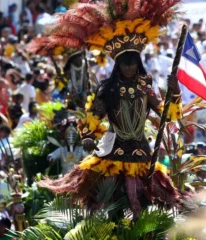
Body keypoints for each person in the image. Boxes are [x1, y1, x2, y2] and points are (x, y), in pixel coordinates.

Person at [39, 0, 185, 220]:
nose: (129, 67)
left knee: (147, 204)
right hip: (111, 151)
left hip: (142, 153)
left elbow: (168, 114)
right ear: (118, 64)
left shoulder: (145, 86)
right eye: (125, 64)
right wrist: (87, 136)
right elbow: (93, 118)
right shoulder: (107, 88)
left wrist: (175, 94)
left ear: (138, 63)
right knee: (105, 205)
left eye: (132, 63)